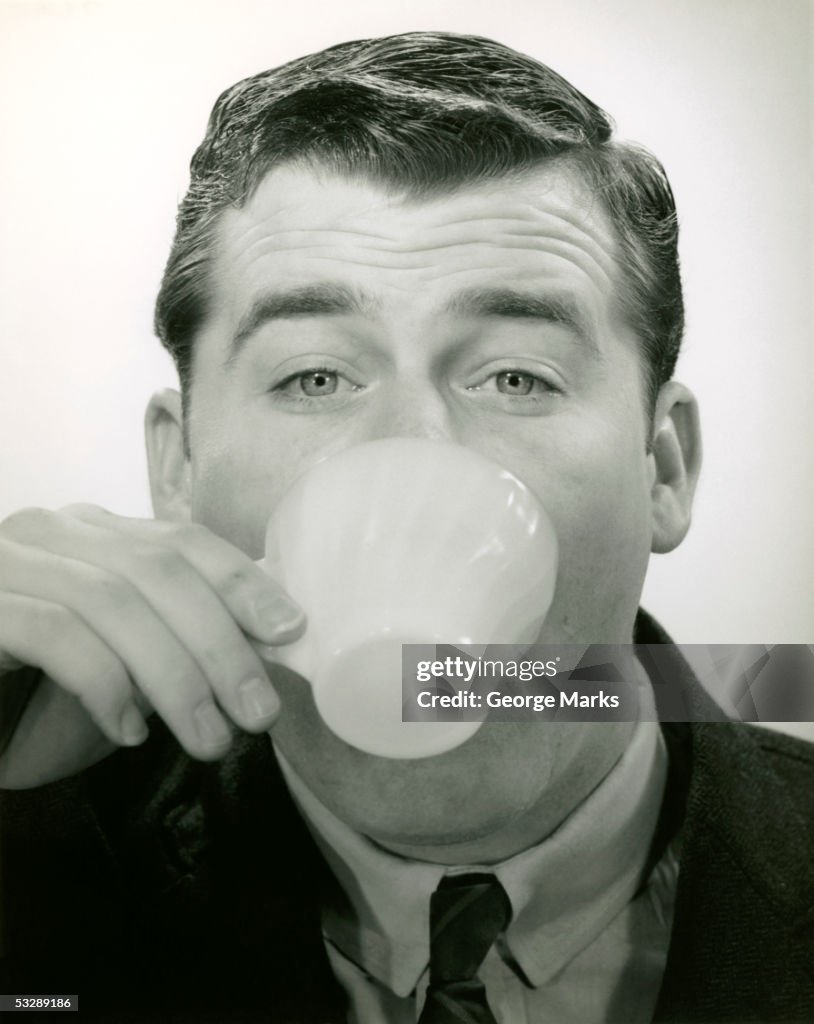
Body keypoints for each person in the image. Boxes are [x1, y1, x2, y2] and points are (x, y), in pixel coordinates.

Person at [0, 31, 812, 1024]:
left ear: (665, 466)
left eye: (516, 376)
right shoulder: (34, 863)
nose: (413, 448)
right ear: (178, 468)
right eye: (314, 377)